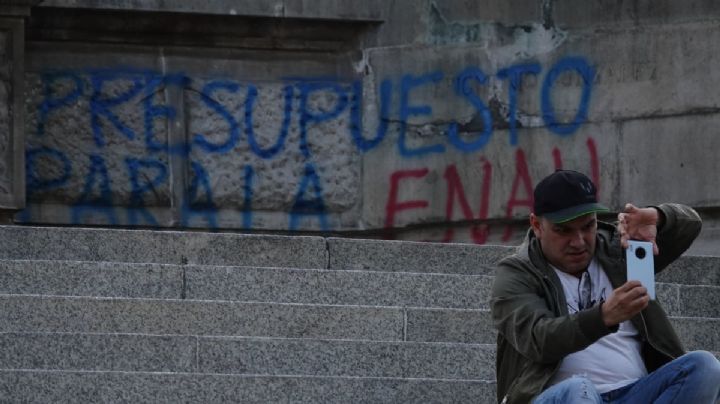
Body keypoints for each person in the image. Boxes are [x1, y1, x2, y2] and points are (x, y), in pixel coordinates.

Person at [491, 169, 720, 404]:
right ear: (537, 225)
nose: (578, 242)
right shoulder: (517, 272)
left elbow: (690, 225)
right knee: (579, 388)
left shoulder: (616, 249)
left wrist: (658, 217)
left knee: (705, 366)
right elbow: (538, 339)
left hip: (635, 392)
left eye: (587, 226)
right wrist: (603, 317)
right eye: (564, 230)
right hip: (562, 397)